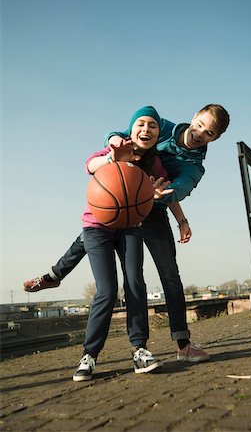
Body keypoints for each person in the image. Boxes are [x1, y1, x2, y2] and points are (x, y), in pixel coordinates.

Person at [24, 103, 230, 363]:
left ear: (216, 138)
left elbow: (180, 188)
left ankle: (183, 343)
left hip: (153, 208)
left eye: (209, 133)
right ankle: (54, 276)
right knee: (92, 230)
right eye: (200, 124)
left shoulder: (194, 166)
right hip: (123, 198)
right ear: (194, 117)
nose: (200, 133)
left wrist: (176, 213)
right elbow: (118, 135)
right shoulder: (159, 126)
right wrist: (113, 143)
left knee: (169, 274)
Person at [74, 106, 177, 381]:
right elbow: (89, 165)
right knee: (106, 290)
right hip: (97, 228)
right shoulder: (114, 148)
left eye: (153, 125)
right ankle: (90, 355)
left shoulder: (154, 162)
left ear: (158, 133)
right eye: (141, 124)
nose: (146, 129)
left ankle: (140, 350)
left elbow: (166, 191)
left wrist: (171, 209)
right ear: (131, 129)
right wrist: (112, 157)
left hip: (131, 226)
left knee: (135, 282)